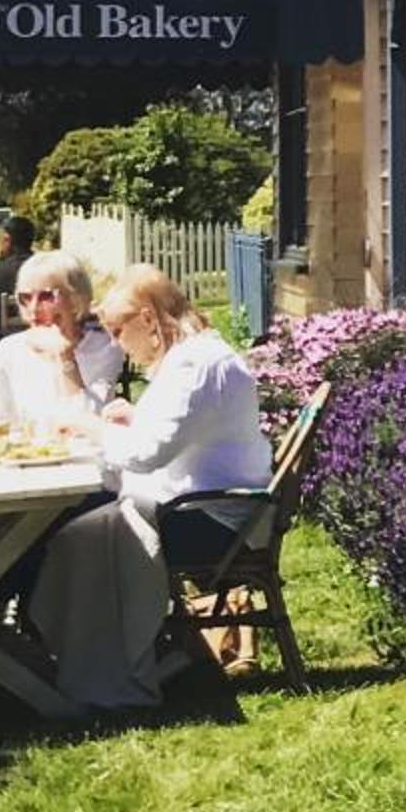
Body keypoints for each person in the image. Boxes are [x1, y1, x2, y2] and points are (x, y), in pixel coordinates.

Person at [29, 265, 270, 717]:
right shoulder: (194, 358)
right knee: (75, 525)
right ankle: (73, 653)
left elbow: (147, 455)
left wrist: (94, 425)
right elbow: (186, 435)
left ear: (147, 318)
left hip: (215, 520)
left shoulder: (197, 365)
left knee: (69, 528)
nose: (119, 342)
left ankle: (96, 665)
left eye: (119, 330)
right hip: (201, 501)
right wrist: (133, 418)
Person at [0, 250, 127, 435]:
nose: (33, 308)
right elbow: (4, 426)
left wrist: (65, 357)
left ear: (75, 299)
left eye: (47, 297)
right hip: (31, 457)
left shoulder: (105, 347)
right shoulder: (9, 350)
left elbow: (88, 422)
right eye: (25, 298)